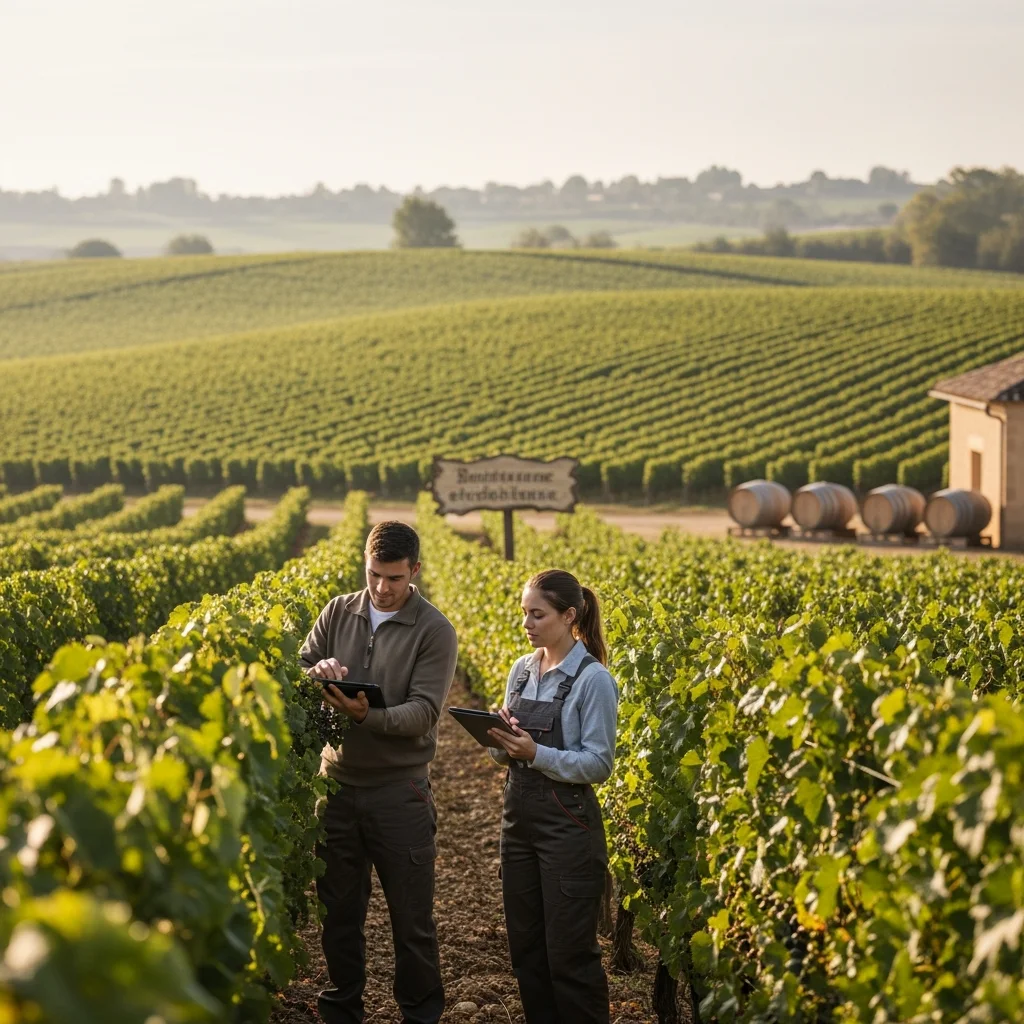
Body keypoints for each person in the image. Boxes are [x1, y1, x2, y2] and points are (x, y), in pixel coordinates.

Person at [300, 520, 458, 1024]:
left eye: (393, 578)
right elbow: (300, 666)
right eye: (374, 576)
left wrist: (368, 715)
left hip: (400, 793)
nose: (382, 588)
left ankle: (420, 1014)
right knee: (338, 915)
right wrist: (315, 674)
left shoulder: (434, 630)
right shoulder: (337, 611)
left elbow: (424, 713)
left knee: (411, 922)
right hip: (337, 789)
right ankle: (342, 1010)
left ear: (414, 570)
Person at [487, 568, 618, 1024]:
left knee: (569, 956)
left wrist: (536, 752)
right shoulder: (520, 671)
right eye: (524, 613)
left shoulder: (592, 679)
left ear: (568, 616)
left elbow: (598, 763)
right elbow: (504, 757)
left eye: (537, 614)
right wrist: (500, 739)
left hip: (568, 828)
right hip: (517, 823)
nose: (527, 624)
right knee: (526, 951)